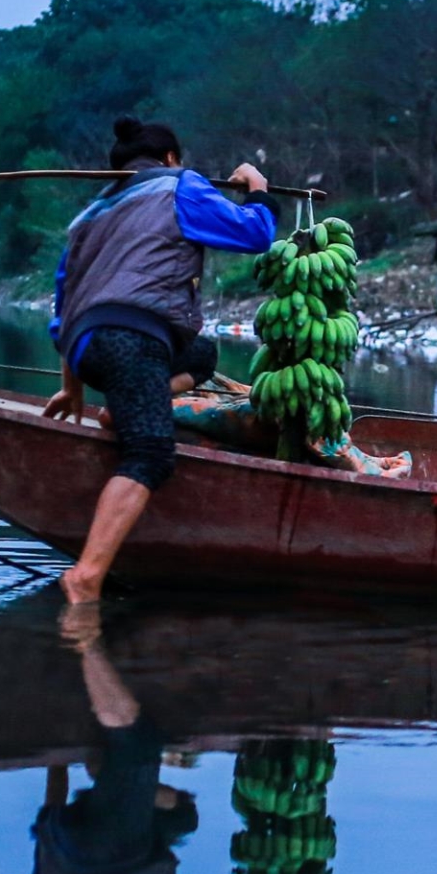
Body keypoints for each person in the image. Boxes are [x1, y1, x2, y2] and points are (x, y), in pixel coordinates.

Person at [43, 116, 279, 602]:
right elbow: (255, 233)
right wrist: (257, 188)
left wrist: (72, 387)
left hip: (88, 347)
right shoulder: (179, 185)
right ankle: (86, 577)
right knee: (150, 454)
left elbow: (63, 309)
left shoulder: (87, 217)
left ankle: (129, 406)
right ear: (171, 158)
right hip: (132, 338)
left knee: (203, 352)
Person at [32, 605, 244, 874]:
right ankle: (106, 774)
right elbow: (44, 856)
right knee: (181, 820)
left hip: (120, 860)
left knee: (138, 746)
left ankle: (85, 640)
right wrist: (56, 757)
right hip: (74, 847)